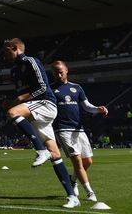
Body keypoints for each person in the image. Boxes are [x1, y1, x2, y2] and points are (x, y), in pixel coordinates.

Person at [3, 38, 79, 208]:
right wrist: (14, 100)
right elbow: (22, 93)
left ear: (15, 48)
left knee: (12, 113)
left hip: (46, 103)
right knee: (56, 155)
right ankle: (73, 196)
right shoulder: (15, 69)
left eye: (6, 50)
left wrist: (19, 100)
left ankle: (39, 149)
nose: (4, 55)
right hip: (34, 109)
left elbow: (43, 88)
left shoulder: (30, 61)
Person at [50, 60, 109, 202]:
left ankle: (73, 179)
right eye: (55, 72)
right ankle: (90, 192)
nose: (58, 74)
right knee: (77, 162)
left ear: (66, 70)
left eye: (60, 71)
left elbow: (87, 106)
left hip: (78, 129)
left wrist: (98, 109)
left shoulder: (76, 88)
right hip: (62, 129)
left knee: (87, 161)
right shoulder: (50, 90)